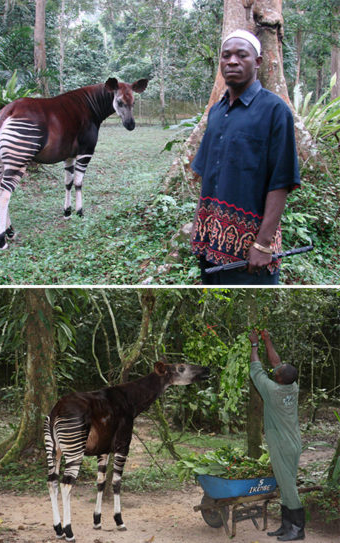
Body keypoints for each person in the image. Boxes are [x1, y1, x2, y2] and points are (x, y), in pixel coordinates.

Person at [191, 29, 301, 285]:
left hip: (250, 255)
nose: (232, 61)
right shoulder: (217, 112)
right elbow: (206, 174)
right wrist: (199, 228)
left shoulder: (274, 110)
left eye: (242, 55)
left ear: (258, 62)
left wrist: (263, 244)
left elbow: (281, 181)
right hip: (209, 246)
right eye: (226, 56)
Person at [249, 328, 304, 541]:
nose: (274, 370)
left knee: (288, 486)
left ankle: (298, 529)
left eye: (277, 373)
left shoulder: (272, 392)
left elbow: (256, 368)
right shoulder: (292, 387)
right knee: (284, 482)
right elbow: (276, 363)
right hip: (292, 442)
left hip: (282, 445)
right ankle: (286, 525)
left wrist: (255, 345)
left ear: (279, 379)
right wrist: (267, 339)